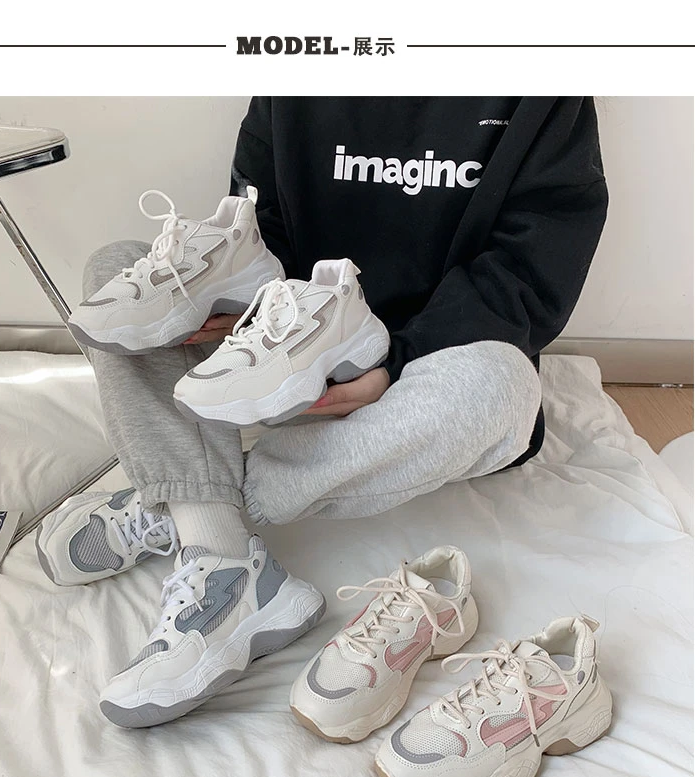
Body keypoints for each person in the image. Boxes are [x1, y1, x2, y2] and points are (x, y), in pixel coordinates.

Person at [38, 96, 608, 726]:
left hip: (424, 372)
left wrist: (394, 358)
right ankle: (222, 557)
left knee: (505, 386)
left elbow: (532, 267)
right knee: (120, 272)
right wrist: (236, 301)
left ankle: (192, 505)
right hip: (288, 358)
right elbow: (262, 227)